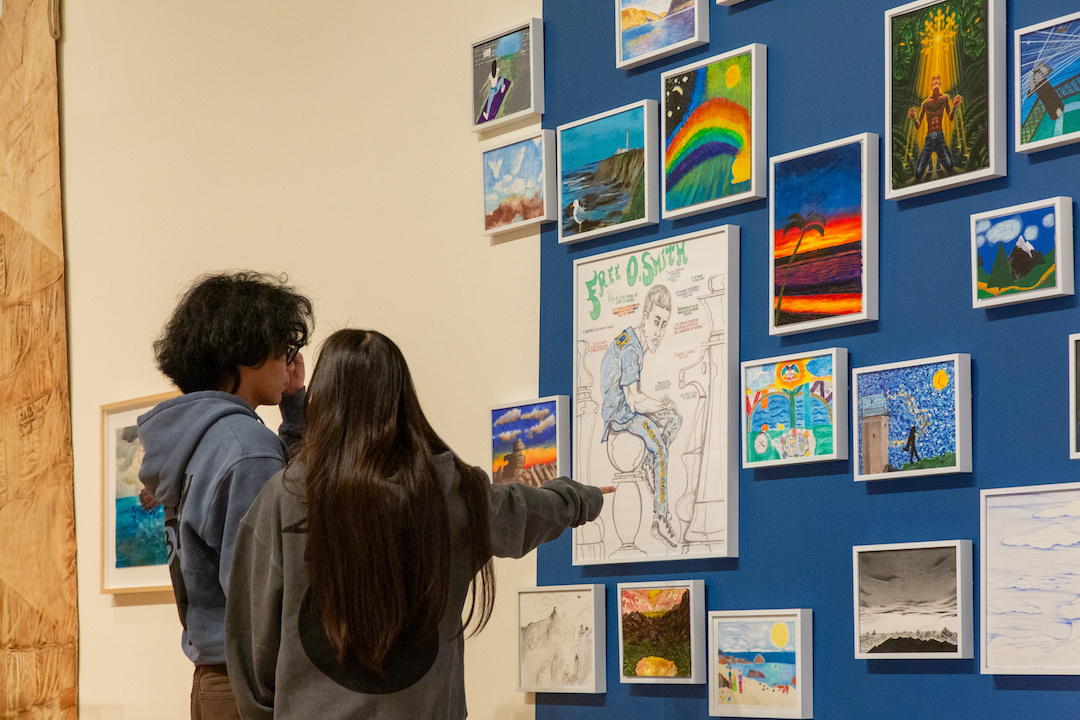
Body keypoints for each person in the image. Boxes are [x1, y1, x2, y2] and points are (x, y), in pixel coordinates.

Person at [225, 329, 611, 719]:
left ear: (324, 399)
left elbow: (249, 644)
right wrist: (583, 497)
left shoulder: (284, 496)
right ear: (402, 398)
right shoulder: (451, 490)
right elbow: (530, 511)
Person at [137, 271, 314, 720]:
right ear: (246, 353)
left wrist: (294, 408)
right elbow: (263, 591)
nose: (290, 363)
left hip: (212, 677)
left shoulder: (197, 439)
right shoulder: (245, 447)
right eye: (284, 348)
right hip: (252, 684)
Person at [598, 284, 682, 549]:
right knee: (660, 447)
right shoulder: (631, 349)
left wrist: (662, 407)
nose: (659, 331)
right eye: (656, 321)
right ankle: (660, 516)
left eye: (664, 324)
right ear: (645, 317)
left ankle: (650, 464)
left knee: (674, 420)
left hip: (627, 411)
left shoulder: (634, 342)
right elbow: (634, 400)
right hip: (621, 417)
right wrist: (660, 404)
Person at [907, 74, 963, 181]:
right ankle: (930, 160)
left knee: (949, 165)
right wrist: (913, 118)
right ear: (931, 85)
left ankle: (938, 159)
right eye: (934, 81)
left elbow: (950, 117)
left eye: (938, 80)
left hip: (940, 138)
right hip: (928, 139)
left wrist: (955, 106)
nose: (936, 82)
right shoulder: (925, 103)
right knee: (918, 172)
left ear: (940, 84)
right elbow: (918, 125)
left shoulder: (945, 98)